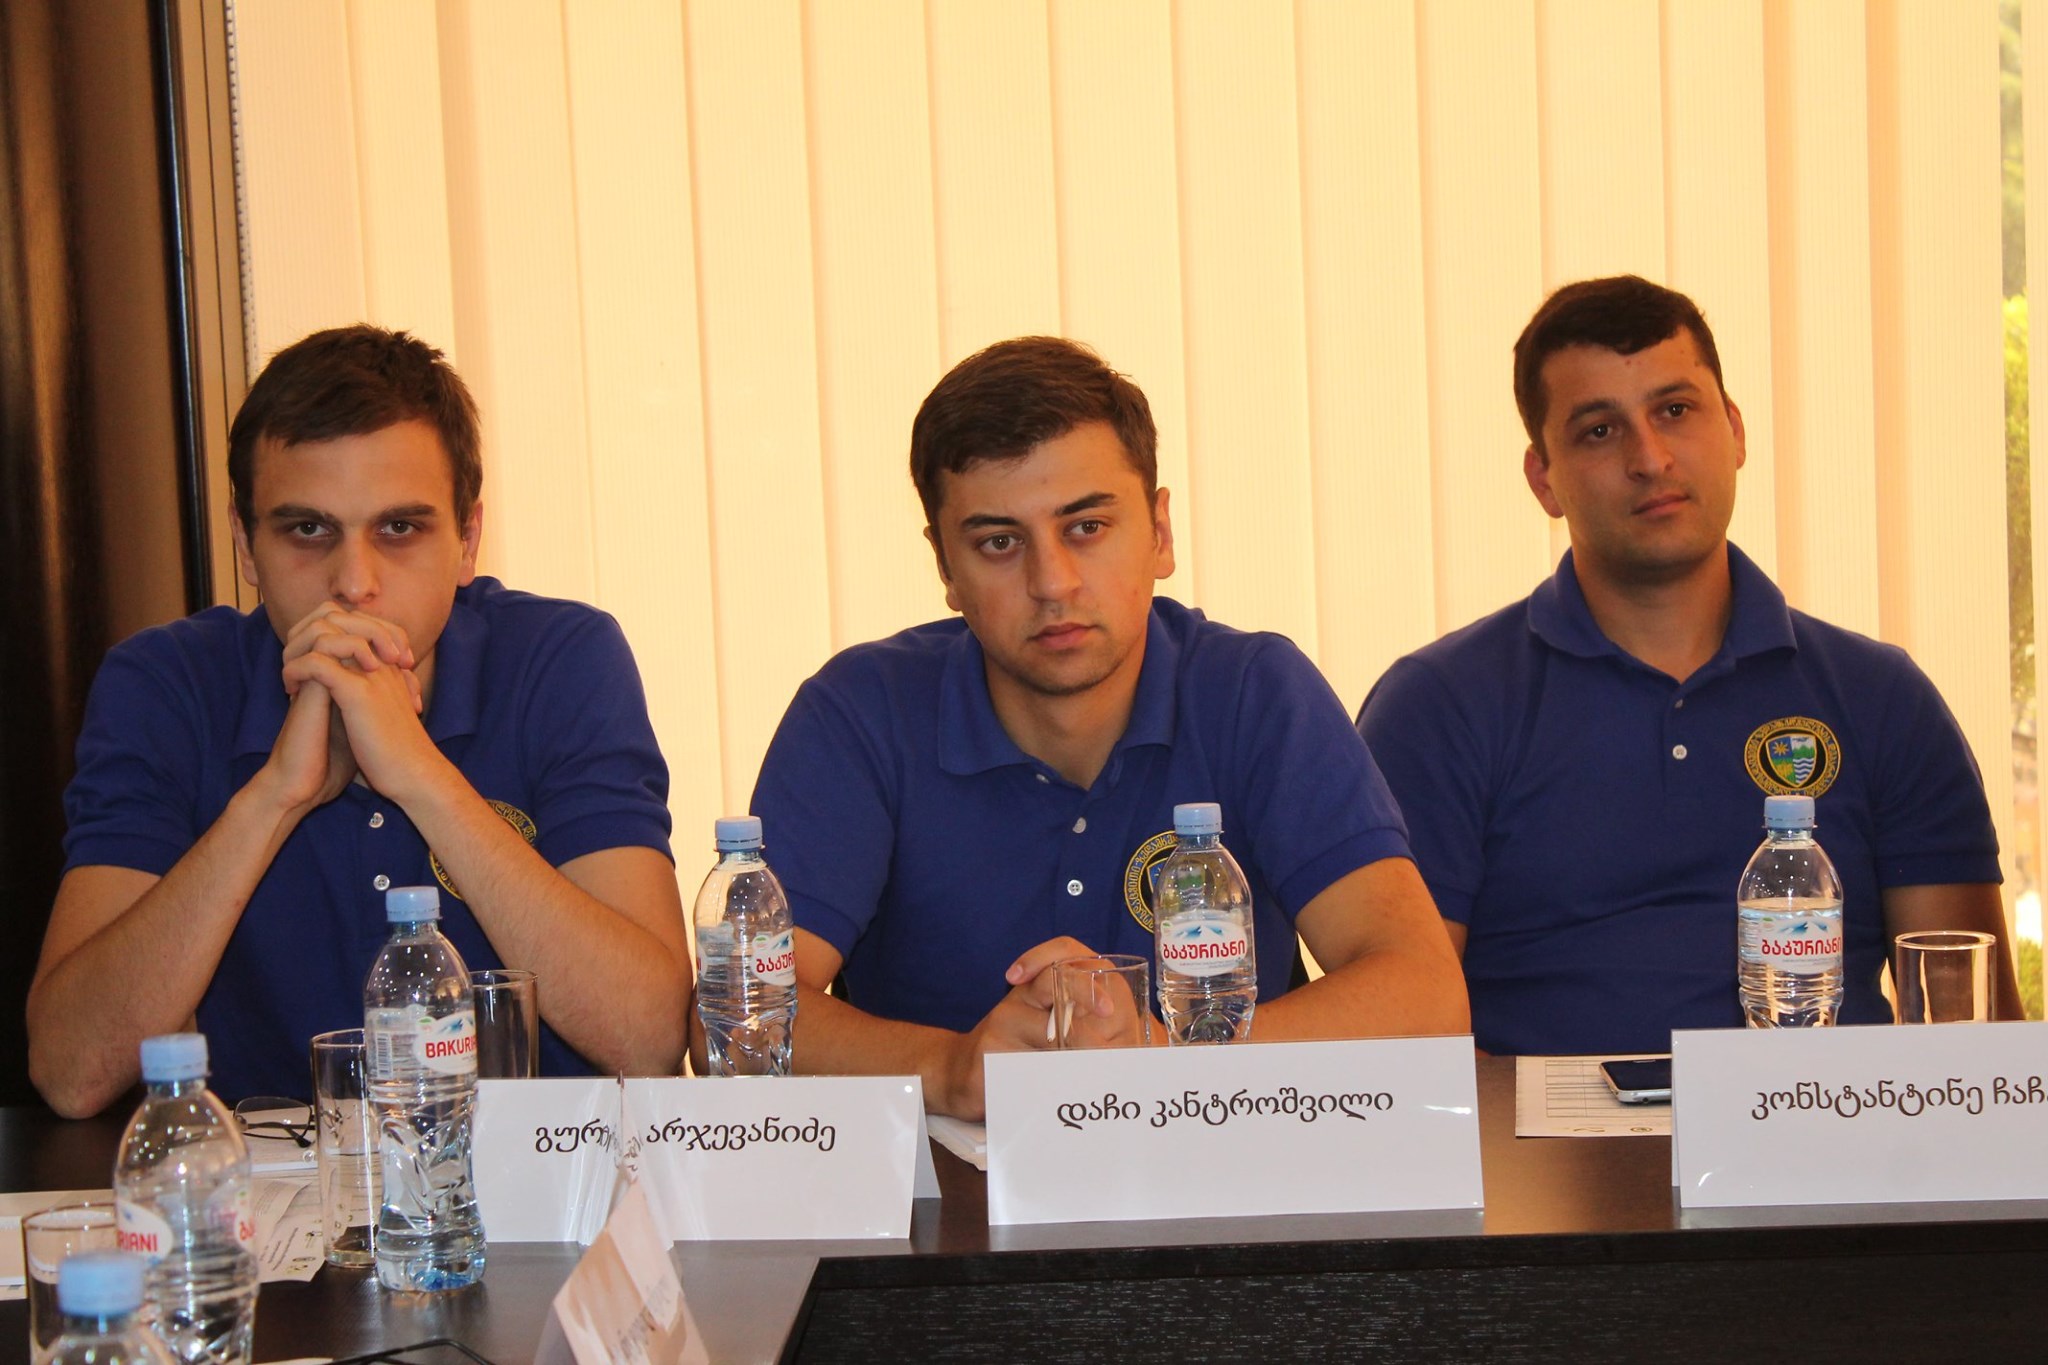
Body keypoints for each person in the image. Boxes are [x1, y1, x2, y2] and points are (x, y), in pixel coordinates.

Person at [749, 336, 1468, 1120]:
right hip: (946, 1192)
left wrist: (1160, 1059)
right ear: (945, 567)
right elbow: (738, 1021)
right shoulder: (859, 713)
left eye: (1087, 526)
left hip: (1225, 1178)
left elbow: (1426, 998)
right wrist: (951, 1069)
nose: (1052, 582)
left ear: (1160, 532)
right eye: (998, 542)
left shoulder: (1253, 691)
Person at [29, 325, 691, 1115]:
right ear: (245, 545)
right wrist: (276, 795)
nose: (353, 582)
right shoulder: (165, 684)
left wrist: (418, 774)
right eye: (308, 529)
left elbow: (649, 1038)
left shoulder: (563, 658)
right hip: (269, 1182)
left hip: (541, 1178)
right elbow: (71, 1072)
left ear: (468, 539)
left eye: (399, 528)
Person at [1357, 275, 2021, 1056]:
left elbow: (1973, 1051)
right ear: (1544, 479)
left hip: (1816, 1126)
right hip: (1534, 1134)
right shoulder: (1438, 707)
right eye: (1599, 430)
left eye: (1675, 410)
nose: (1650, 457)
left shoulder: (1882, 698)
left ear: (1735, 430)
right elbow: (1399, 1049)